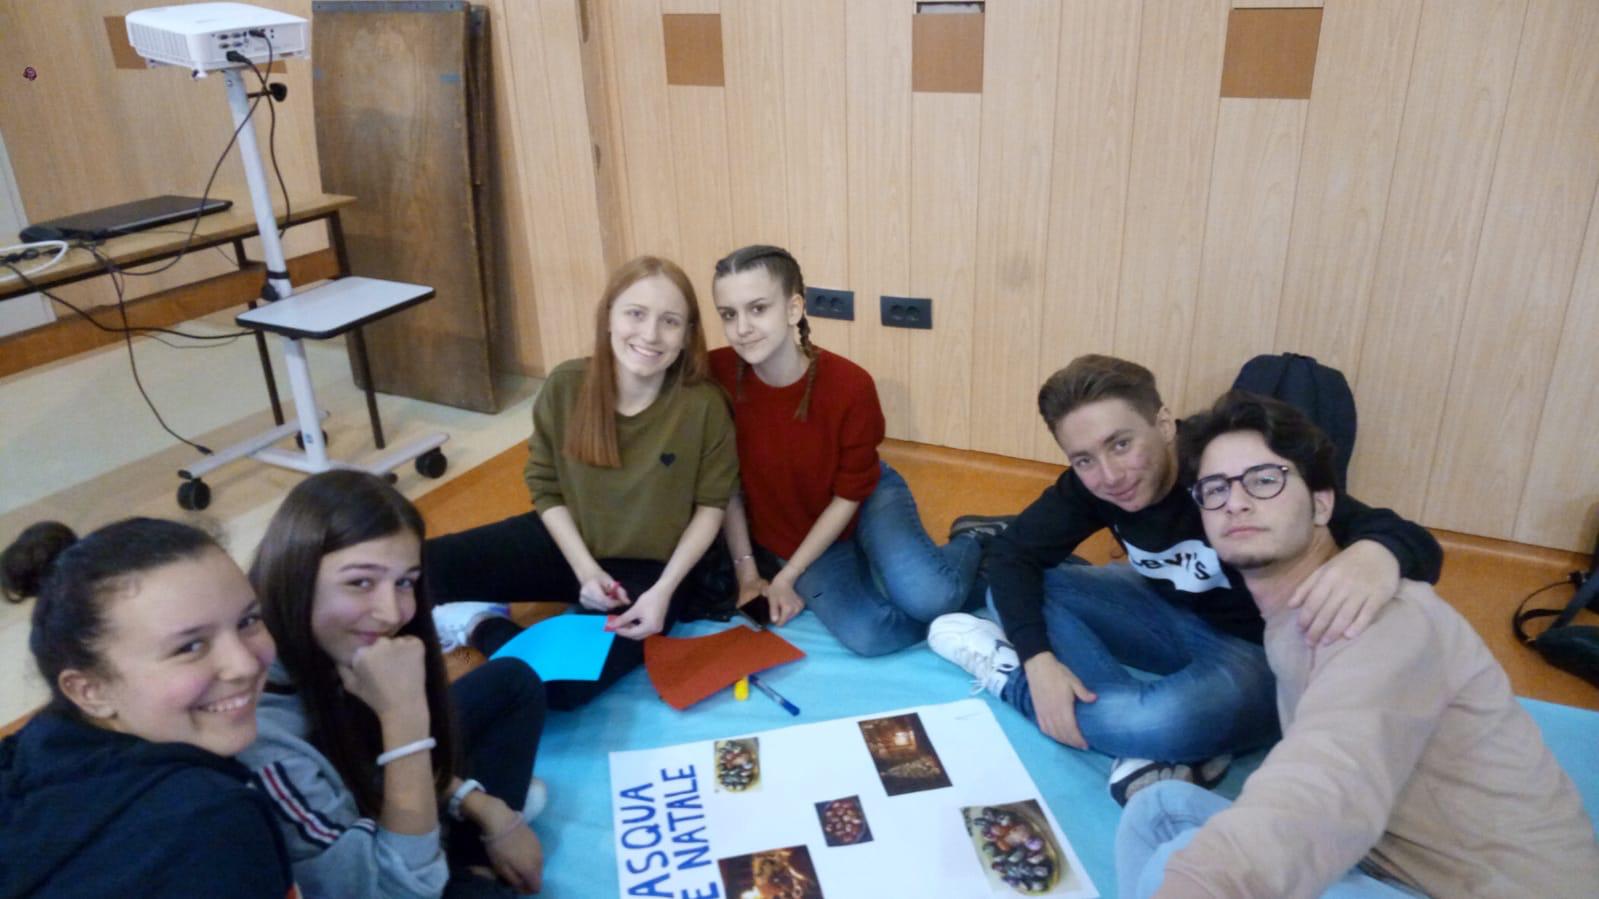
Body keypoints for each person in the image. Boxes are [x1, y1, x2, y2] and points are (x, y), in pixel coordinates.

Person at [1115, 391, 1599, 898]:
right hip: (1385, 851)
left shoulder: (1377, 620)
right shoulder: (1290, 613)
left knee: (1186, 863)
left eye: (1264, 480)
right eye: (1215, 489)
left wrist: (1204, 881)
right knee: (1157, 809)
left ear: (1322, 504)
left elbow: (1329, 783)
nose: (1235, 502)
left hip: (1475, 885)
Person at [929, 355, 1442, 803]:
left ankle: (1017, 683)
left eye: (1121, 444)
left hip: (1257, 649)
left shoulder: (1224, 465)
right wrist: (1039, 661)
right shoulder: (1096, 483)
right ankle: (1124, 730)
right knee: (1016, 590)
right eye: (1084, 459)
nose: (1110, 475)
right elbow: (1015, 555)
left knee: (1155, 723)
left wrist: (1376, 554)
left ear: (1164, 423)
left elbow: (1411, 540)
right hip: (1163, 607)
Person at [424, 255, 738, 708]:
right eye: (636, 313)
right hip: (566, 543)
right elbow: (545, 484)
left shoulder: (703, 405)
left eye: (670, 321)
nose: (650, 334)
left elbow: (711, 508)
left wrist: (662, 593)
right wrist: (585, 570)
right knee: (419, 568)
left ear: (688, 334)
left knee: (562, 686)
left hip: (651, 572)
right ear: (608, 316)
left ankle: (475, 622)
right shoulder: (567, 384)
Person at [240, 470, 547, 898]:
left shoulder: (328, 644)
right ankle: (473, 874)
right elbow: (390, 891)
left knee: (512, 682)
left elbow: (364, 753)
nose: (391, 613)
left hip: (376, 795)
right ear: (296, 576)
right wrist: (404, 717)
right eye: (360, 582)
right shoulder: (265, 740)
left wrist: (481, 805)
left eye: (405, 582)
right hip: (384, 879)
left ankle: (469, 860)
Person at [708, 244, 993, 655]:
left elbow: (850, 494)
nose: (742, 328)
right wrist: (749, 575)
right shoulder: (716, 376)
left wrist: (788, 577)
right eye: (728, 314)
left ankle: (977, 540)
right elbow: (725, 486)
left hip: (862, 496)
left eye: (757, 309)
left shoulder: (850, 386)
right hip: (794, 527)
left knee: (932, 598)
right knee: (870, 635)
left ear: (793, 309)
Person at [0, 518, 296, 898]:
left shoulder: (33, 750)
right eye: (190, 647)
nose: (245, 665)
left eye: (248, 621)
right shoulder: (210, 823)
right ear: (90, 691)